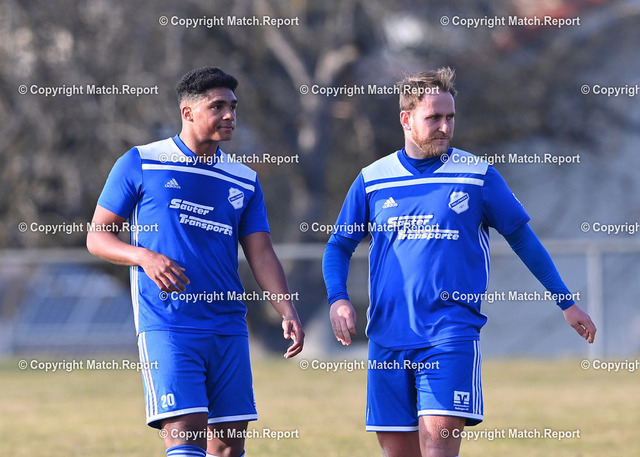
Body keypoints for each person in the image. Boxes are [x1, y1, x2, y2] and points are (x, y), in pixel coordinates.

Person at [322, 67, 596, 457]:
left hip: (449, 335)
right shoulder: (373, 179)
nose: (445, 127)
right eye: (434, 117)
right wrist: (338, 298)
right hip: (386, 338)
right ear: (406, 119)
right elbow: (338, 246)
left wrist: (565, 301)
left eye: (450, 117)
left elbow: (523, 239)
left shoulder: (477, 176)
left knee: (437, 447)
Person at [87, 66, 304, 457]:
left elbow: (260, 252)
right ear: (187, 113)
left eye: (233, 107)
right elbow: (97, 236)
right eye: (217, 106)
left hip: (228, 325)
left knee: (227, 446)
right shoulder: (141, 162)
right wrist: (143, 257)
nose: (229, 115)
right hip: (168, 323)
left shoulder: (244, 179)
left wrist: (286, 308)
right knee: (185, 434)